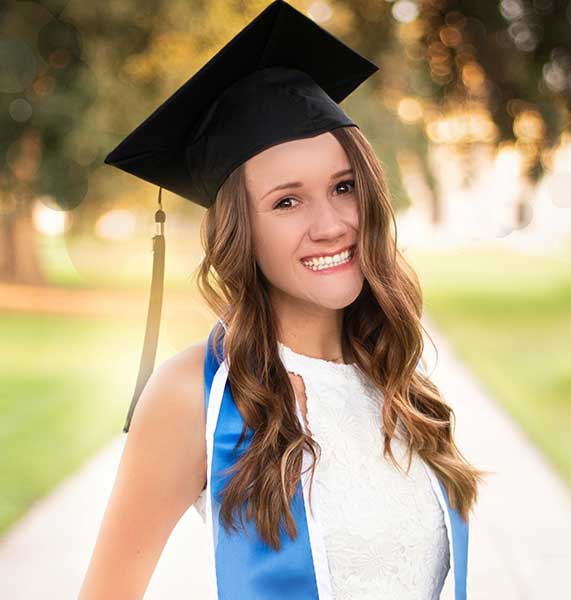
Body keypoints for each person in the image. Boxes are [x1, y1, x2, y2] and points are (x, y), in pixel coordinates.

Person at [79, 2, 487, 599]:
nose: (331, 225)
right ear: (240, 230)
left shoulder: (393, 373)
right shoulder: (196, 395)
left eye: (343, 187)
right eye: (287, 202)